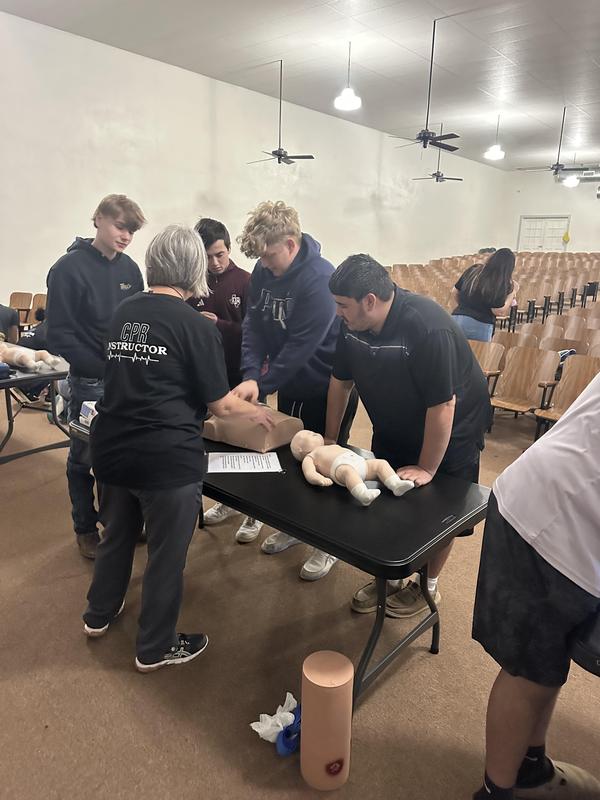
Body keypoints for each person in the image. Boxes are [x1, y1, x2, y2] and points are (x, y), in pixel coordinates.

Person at [84, 225, 273, 673]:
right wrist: (258, 413)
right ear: (194, 268)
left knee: (117, 537)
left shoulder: (123, 311)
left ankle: (97, 614)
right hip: (165, 460)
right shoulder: (194, 325)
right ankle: (155, 646)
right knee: (167, 558)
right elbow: (220, 405)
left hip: (110, 449)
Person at [325, 254, 491, 617]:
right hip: (395, 421)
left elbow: (443, 405)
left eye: (342, 306)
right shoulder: (351, 325)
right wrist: (329, 441)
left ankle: (427, 586)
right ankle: (393, 577)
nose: (338, 313)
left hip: (453, 427)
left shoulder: (426, 326)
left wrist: (428, 467)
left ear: (370, 301)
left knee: (438, 509)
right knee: (391, 499)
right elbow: (340, 382)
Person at [472, 373, 600, 800]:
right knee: (528, 675)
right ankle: (495, 793)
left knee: (544, 669)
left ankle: (530, 766)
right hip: (557, 524)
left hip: (546, 501)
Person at [233, 200, 358, 581]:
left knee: (326, 459)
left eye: (270, 255)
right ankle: (296, 527)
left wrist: (262, 382)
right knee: (292, 457)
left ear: (290, 243)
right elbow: (253, 325)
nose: (265, 265)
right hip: (290, 382)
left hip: (326, 383)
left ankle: (328, 542)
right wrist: (251, 374)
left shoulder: (320, 278)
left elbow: (301, 346)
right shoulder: (264, 268)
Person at [46, 194, 146, 559]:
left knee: (122, 455)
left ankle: (118, 523)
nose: (126, 236)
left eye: (132, 231)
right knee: (84, 458)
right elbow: (58, 334)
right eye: (121, 227)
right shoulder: (67, 269)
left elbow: (137, 320)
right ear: (98, 219)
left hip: (127, 378)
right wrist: (98, 367)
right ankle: (85, 528)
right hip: (90, 380)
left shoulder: (131, 269)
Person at [189, 217, 261, 544]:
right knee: (217, 443)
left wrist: (218, 324)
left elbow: (256, 333)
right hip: (208, 376)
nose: (215, 263)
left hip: (241, 374)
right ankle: (225, 501)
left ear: (229, 249)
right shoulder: (194, 282)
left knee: (250, 443)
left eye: (220, 254)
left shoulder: (246, 282)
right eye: (208, 257)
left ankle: (254, 511)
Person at [451, 248, 518, 342]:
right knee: (478, 355)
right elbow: (498, 311)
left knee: (453, 355)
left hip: (456, 319)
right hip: (479, 323)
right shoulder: (499, 281)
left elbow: (455, 291)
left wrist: (465, 307)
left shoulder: (474, 270)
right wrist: (513, 292)